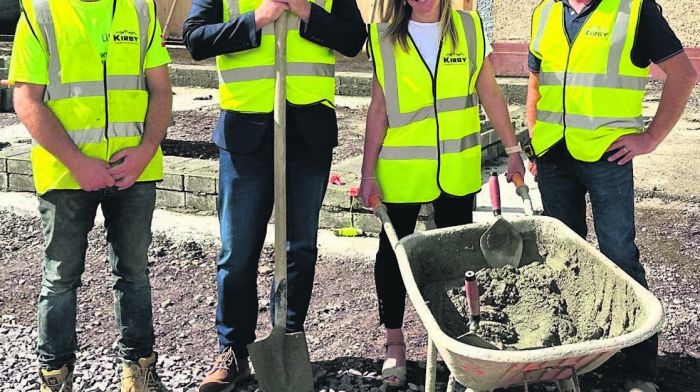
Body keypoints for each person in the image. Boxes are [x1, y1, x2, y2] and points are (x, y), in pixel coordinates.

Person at [182, 0, 366, 390]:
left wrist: (306, 11)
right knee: (237, 250)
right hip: (244, 132)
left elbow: (353, 39)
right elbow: (195, 40)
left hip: (309, 131)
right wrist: (257, 19)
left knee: (299, 246)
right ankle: (233, 348)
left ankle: (289, 336)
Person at [526, 0, 697, 391]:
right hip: (553, 155)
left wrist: (651, 137)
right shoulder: (545, 12)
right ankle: (573, 356)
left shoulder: (635, 11)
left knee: (619, 255)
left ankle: (639, 367)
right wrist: (534, 135)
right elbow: (536, 79)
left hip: (608, 156)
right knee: (561, 257)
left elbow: (683, 74)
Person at [7, 0, 173, 391]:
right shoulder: (40, 11)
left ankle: (140, 368)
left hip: (133, 170)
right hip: (67, 174)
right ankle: (56, 374)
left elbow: (161, 88)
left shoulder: (139, 8)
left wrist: (147, 148)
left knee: (133, 273)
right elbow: (26, 99)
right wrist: (79, 163)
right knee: (60, 276)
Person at [360, 0, 525, 386]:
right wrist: (368, 173)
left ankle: (458, 340)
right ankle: (395, 343)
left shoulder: (469, 28)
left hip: (456, 167)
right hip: (402, 168)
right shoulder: (383, 37)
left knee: (458, 257)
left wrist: (513, 151)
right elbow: (379, 108)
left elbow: (490, 93)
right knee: (394, 255)